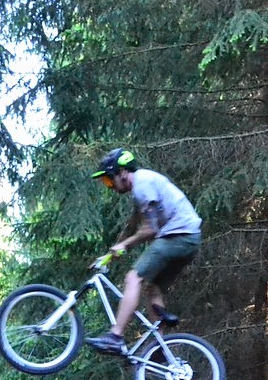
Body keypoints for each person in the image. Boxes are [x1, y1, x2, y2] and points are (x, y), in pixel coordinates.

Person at [86, 148, 202, 355]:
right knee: (153, 289)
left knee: (133, 278)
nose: (109, 186)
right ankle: (161, 347)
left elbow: (150, 230)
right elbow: (132, 226)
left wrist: (125, 246)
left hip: (179, 236)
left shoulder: (143, 185)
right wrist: (111, 253)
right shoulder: (141, 186)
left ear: (122, 172)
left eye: (109, 180)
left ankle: (115, 336)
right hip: (189, 240)